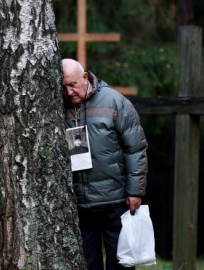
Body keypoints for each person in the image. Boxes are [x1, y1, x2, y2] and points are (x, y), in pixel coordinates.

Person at [62, 58, 148, 270]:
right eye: (63, 87)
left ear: (85, 77)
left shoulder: (114, 102)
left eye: (72, 85)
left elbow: (135, 148)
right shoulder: (58, 108)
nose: (68, 92)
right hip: (79, 204)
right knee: (87, 264)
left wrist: (135, 191)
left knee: (121, 263)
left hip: (115, 201)